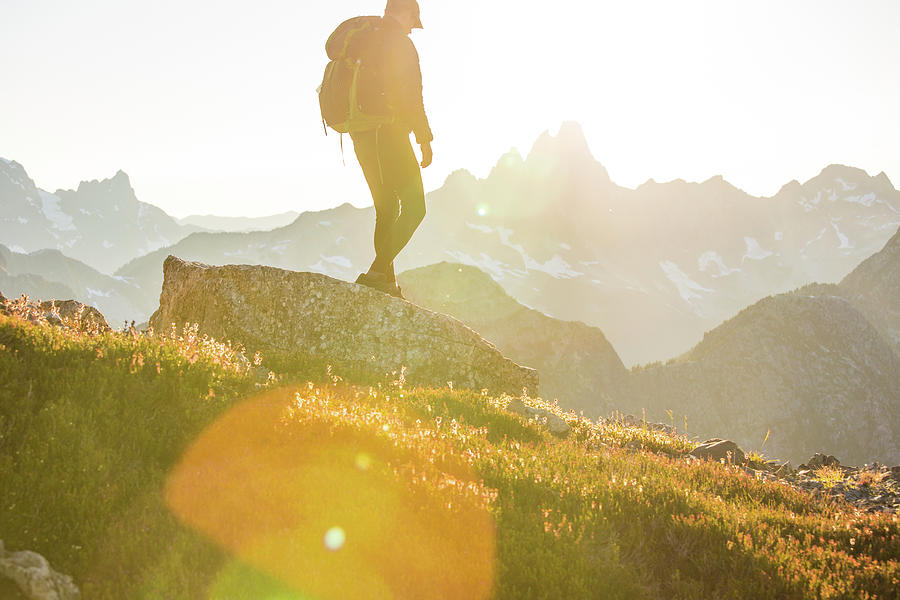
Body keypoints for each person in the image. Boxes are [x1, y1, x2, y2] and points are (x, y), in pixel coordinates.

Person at [327, 0, 433, 298]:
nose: (414, 27)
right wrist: (424, 139)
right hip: (388, 133)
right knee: (415, 208)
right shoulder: (399, 43)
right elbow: (412, 95)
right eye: (414, 19)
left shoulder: (364, 37)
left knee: (386, 208)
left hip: (359, 133)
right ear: (404, 12)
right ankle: (376, 273)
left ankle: (386, 281)